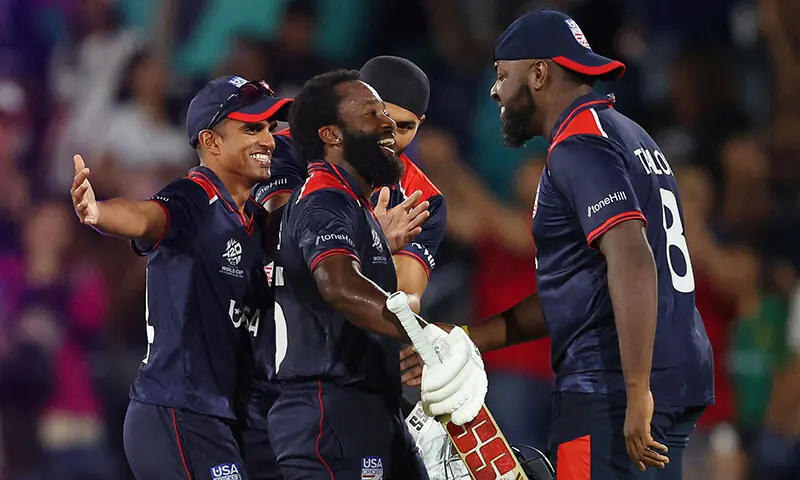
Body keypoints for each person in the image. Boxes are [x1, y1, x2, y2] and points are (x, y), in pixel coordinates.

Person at [403, 9, 714, 479]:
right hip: (667, 379)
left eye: (503, 76)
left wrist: (635, 390)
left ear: (540, 74)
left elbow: (633, 259)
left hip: (609, 390)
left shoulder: (578, 146)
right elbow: (579, 296)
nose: (495, 92)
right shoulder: (632, 136)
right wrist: (467, 339)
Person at [264, 69, 485, 479]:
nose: (389, 129)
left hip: (370, 402)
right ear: (332, 134)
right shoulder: (320, 193)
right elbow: (337, 283)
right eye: (374, 114)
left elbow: (399, 293)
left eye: (400, 122)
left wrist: (421, 337)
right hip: (323, 406)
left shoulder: (372, 203)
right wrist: (425, 336)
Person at [70, 75, 292, 479]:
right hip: (179, 410)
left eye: (269, 129)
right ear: (211, 142)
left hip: (229, 419)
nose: (269, 140)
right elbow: (144, 216)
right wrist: (98, 212)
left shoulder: (260, 225)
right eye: (252, 128)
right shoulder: (194, 198)